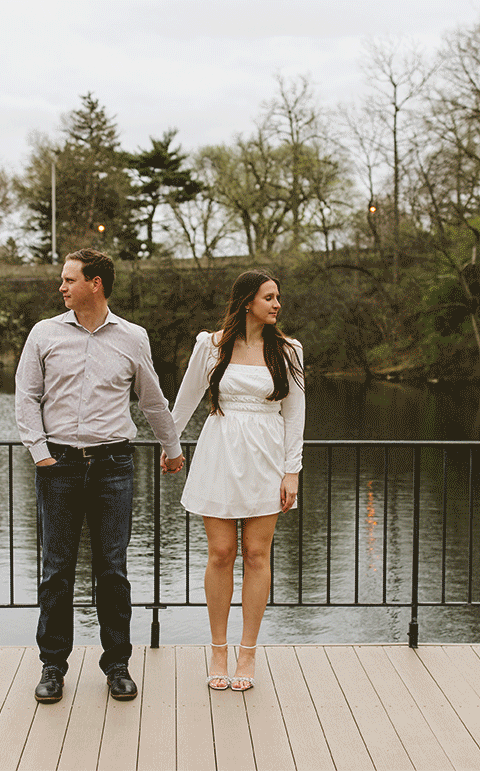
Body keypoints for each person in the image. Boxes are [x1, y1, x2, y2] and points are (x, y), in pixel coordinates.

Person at [15, 248, 185, 705]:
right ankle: (53, 666)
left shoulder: (133, 337)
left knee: (112, 571)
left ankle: (118, 666)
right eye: (62, 279)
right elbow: (26, 398)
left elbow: (152, 400)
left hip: (113, 466)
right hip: (59, 466)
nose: (61, 286)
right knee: (57, 570)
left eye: (69, 279)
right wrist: (40, 453)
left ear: (96, 284)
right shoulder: (44, 333)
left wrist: (172, 447)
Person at [163, 269, 304, 692]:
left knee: (258, 555)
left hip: (267, 455)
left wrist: (291, 470)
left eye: (278, 297)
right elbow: (187, 397)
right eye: (269, 297)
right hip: (220, 452)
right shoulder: (211, 345)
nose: (277, 304)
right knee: (221, 553)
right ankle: (218, 649)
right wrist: (171, 445)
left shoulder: (289, 350)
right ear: (247, 302)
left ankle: (248, 653)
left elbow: (295, 413)